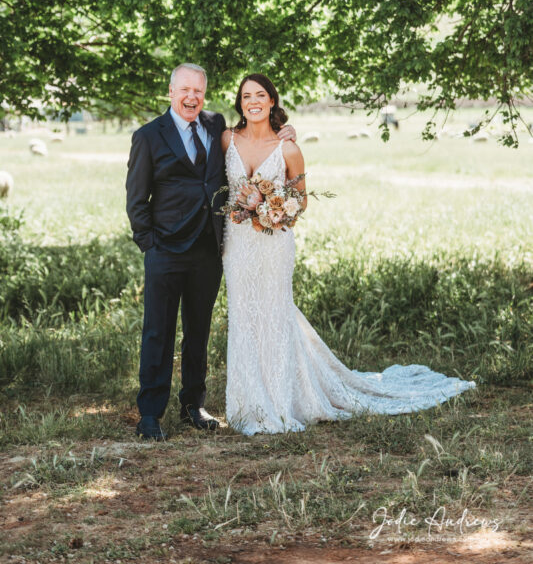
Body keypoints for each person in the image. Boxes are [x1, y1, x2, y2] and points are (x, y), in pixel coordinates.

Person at [221, 74, 476, 435]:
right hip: (237, 246)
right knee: (243, 315)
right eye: (246, 96)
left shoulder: (288, 148)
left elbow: (301, 201)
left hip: (274, 244)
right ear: (240, 102)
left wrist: (274, 208)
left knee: (275, 314)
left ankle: (279, 401)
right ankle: (247, 402)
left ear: (272, 100)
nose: (253, 102)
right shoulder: (227, 139)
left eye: (260, 95)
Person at [126, 63, 295, 440]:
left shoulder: (216, 125)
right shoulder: (148, 136)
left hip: (208, 248)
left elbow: (254, 134)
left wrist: (288, 131)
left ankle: (193, 404)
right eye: (185, 90)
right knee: (158, 331)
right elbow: (136, 199)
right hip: (165, 250)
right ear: (171, 92)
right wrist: (149, 244)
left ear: (204, 95)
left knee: (198, 331)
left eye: (198, 91)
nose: (192, 97)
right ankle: (150, 413)